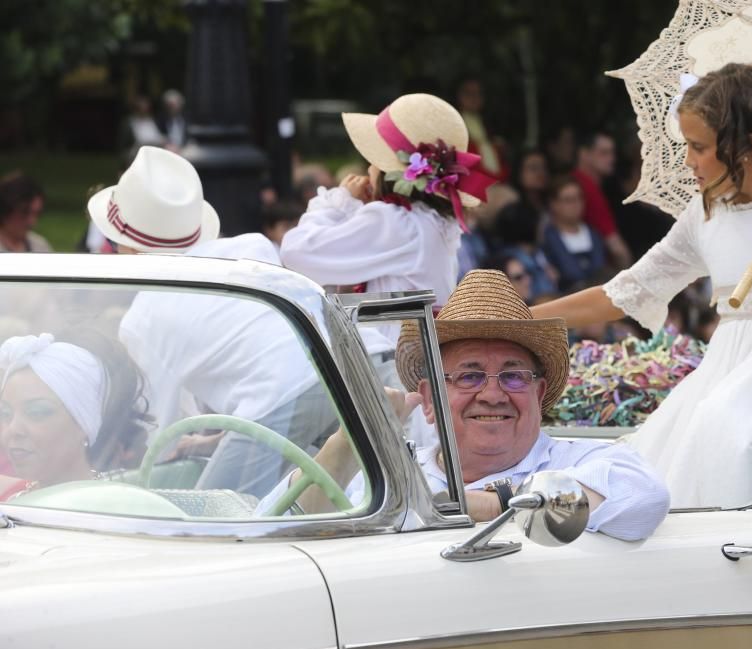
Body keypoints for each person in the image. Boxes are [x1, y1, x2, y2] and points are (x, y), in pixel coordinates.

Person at [532, 63, 752, 508]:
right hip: (731, 372)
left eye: (698, 147)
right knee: (656, 450)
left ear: (747, 147)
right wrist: (518, 318)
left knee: (725, 431)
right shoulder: (706, 216)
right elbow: (626, 292)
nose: (688, 160)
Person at [265, 270, 670, 541]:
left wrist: (495, 501)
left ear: (539, 392)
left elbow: (643, 499)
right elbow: (274, 528)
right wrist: (349, 442)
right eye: (469, 375)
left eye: (513, 375)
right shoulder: (388, 476)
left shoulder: (582, 461)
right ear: (428, 399)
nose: (492, 394)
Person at [88, 146, 339, 497]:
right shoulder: (250, 248)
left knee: (214, 520)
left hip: (281, 397)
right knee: (337, 494)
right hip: (346, 368)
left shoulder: (144, 318)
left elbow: (162, 427)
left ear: (126, 248)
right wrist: (211, 442)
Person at [280, 93, 497, 343]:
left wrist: (339, 204)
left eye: (371, 162)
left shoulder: (397, 222)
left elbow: (297, 253)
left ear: (386, 173)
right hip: (417, 365)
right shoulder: (436, 222)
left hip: (390, 372)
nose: (367, 169)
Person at [0, 331, 151, 501]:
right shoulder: (11, 499)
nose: (13, 429)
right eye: (5, 414)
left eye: (36, 413)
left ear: (85, 423)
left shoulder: (118, 509)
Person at [572, 131, 632, 269]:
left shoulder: (584, 183)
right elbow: (616, 247)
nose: (612, 159)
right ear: (584, 154)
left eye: (612, 153)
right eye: (604, 153)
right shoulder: (586, 187)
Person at [541, 175, 606, 292]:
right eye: (568, 200)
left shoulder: (594, 234)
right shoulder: (546, 240)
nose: (575, 204)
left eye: (578, 198)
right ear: (554, 204)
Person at [0, 172, 51, 253]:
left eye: (37, 214)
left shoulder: (40, 246)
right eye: (24, 213)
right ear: (5, 209)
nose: (31, 222)